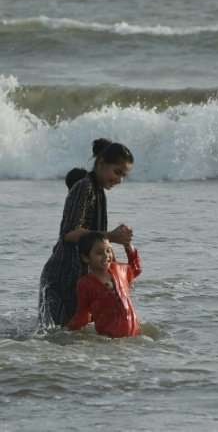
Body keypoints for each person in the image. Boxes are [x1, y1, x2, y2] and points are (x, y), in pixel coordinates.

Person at [39, 139, 135, 328]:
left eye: (124, 175)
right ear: (100, 164)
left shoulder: (98, 191)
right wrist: (111, 236)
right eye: (117, 172)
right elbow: (69, 233)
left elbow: (96, 241)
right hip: (62, 277)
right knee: (60, 337)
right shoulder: (85, 187)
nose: (119, 179)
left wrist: (113, 268)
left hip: (81, 276)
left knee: (76, 337)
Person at [68, 231, 142, 338]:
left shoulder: (120, 270)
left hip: (134, 337)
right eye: (99, 253)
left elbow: (136, 268)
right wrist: (68, 331)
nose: (106, 256)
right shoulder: (85, 284)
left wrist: (128, 246)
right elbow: (83, 314)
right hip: (109, 341)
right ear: (86, 258)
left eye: (108, 250)